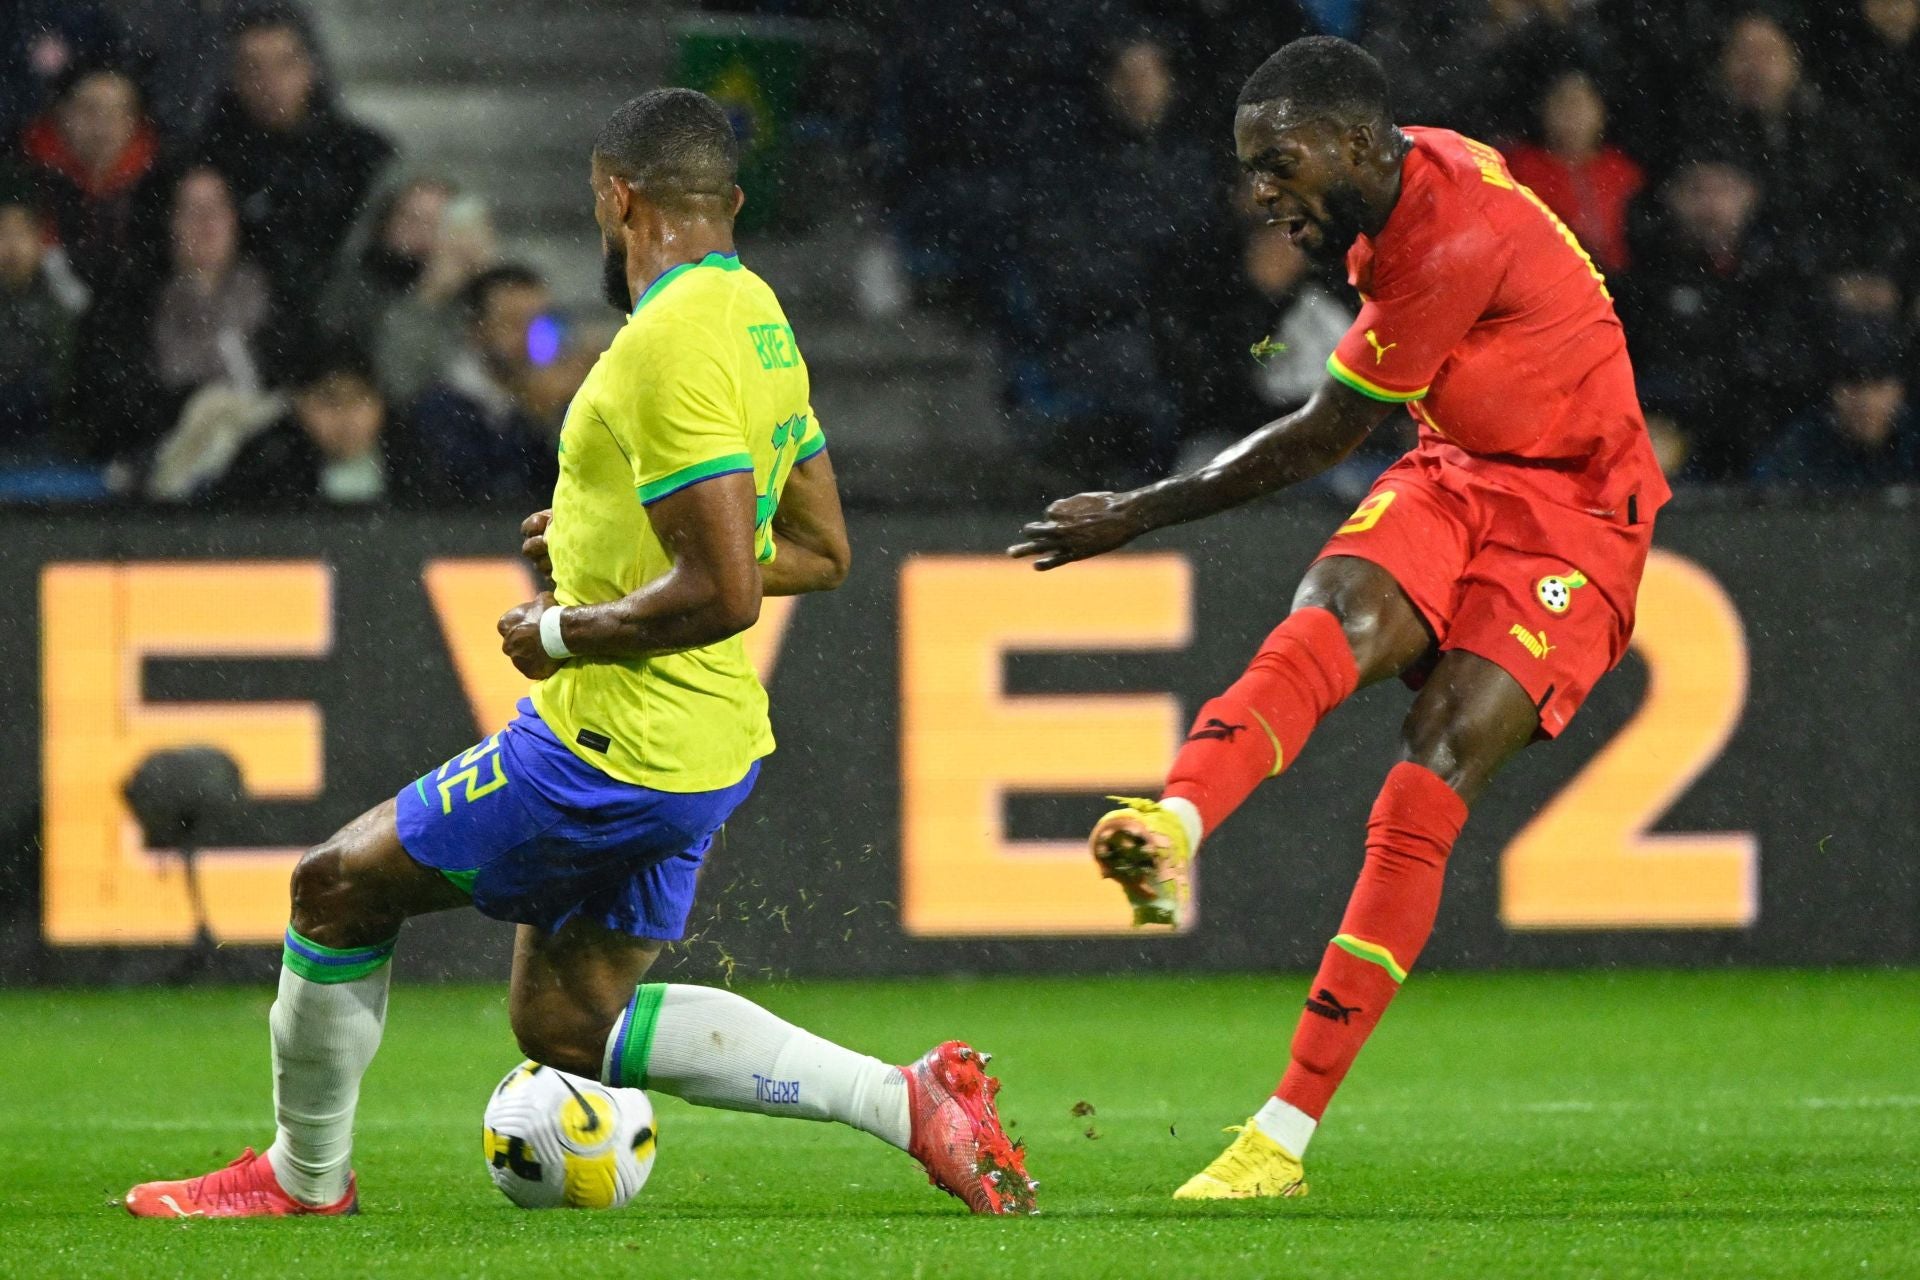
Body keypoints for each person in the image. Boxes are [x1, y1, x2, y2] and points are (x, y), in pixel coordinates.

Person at [124, 87, 1034, 1221]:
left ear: (616, 197)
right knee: (565, 1025)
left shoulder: (662, 342)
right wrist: (605, 545)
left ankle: (304, 1178)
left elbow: (725, 584)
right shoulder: (757, 315)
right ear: (730, 202)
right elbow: (819, 547)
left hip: (610, 741)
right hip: (705, 742)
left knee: (333, 890)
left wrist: (560, 627)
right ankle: (912, 1100)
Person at [1011, 36, 1669, 1199]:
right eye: (1250, 167)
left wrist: (1137, 510)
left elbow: (1320, 434)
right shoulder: (1395, 194)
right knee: (1335, 613)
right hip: (1462, 466)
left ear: (1360, 144)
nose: (1261, 190)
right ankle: (1172, 823)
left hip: (1574, 512)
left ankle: (1281, 1136)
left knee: (1434, 763)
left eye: (1279, 163)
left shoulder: (1448, 236)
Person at [195, 1, 393, 307]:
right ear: (234, 77)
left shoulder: (361, 153)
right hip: (238, 319)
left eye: (285, 63)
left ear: (310, 68)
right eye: (253, 68)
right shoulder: (206, 160)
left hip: (346, 317)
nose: (270, 83)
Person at [400, 263, 561, 506]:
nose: (530, 337)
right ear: (476, 329)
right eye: (513, 322)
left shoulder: (563, 400)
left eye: (540, 323)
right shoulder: (438, 410)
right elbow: (477, 497)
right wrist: (531, 419)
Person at [18, 63, 162, 294]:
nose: (103, 124)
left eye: (118, 111)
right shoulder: (25, 172)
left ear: (134, 120)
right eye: (89, 109)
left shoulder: (162, 179)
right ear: (62, 113)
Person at [202, 337, 390, 506]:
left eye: (359, 399)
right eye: (329, 400)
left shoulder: (409, 460)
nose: (347, 416)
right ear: (299, 404)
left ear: (380, 402)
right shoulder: (267, 467)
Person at [1502, 68, 1644, 274]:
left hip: (1624, 284)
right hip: (1548, 279)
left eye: (1580, 103)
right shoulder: (1518, 168)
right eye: (1561, 102)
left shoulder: (1624, 171)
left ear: (1601, 111)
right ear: (1543, 109)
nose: (1571, 113)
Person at [1752, 321, 1919, 491]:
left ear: (1899, 391)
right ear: (1834, 393)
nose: (1864, 401)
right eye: (1853, 386)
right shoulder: (1805, 441)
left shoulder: (1914, 437)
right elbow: (1761, 493)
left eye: (1877, 386)